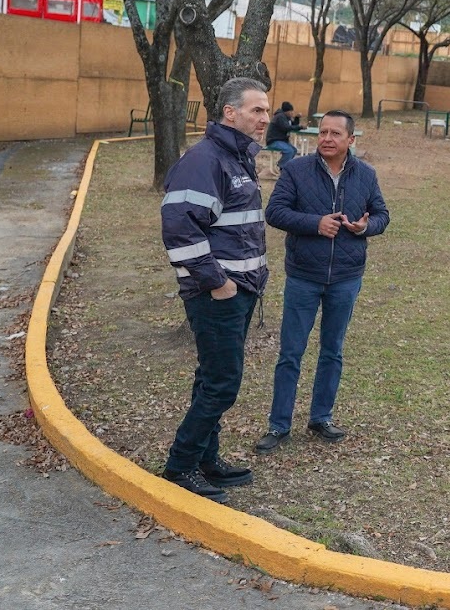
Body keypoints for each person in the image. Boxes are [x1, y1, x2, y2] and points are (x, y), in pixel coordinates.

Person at [159, 77, 271, 503]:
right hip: (218, 295)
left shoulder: (236, 157)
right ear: (230, 113)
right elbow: (180, 228)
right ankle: (180, 466)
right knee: (223, 383)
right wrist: (219, 284)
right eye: (256, 110)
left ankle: (208, 459)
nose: (264, 119)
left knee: (211, 378)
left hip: (240, 291)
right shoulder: (205, 160)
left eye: (265, 110)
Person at [255, 110, 389, 453]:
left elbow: (382, 215)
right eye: (323, 132)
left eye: (335, 134)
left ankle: (321, 418)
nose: (327, 139)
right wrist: (315, 223)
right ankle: (279, 424)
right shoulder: (297, 170)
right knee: (291, 352)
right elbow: (274, 212)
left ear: (351, 140)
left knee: (333, 351)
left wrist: (365, 227)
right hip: (304, 276)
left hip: (346, 277)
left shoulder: (366, 175)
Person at [265, 101, 303, 167]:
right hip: (273, 140)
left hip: (282, 140)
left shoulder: (286, 117)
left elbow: (293, 125)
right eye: (291, 111)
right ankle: (282, 166)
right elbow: (286, 128)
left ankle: (284, 165)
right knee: (289, 151)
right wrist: (300, 127)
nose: (292, 113)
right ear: (287, 111)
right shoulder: (280, 117)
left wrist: (297, 118)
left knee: (294, 150)